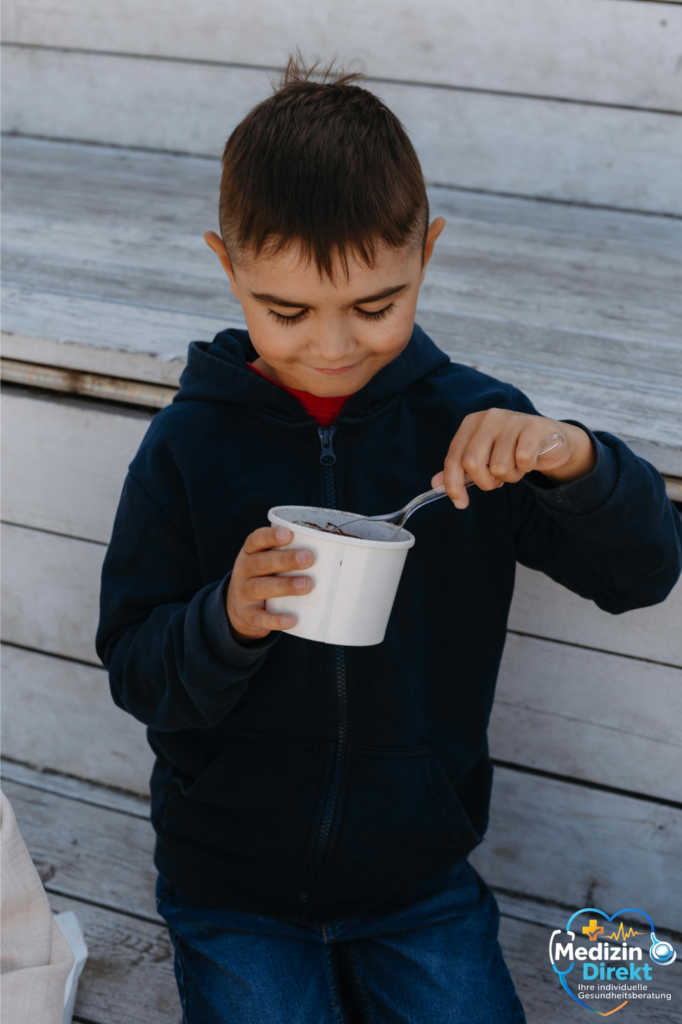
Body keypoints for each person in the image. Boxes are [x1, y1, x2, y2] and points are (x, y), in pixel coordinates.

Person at [96, 57, 682, 1024]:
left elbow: (644, 573)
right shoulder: (189, 446)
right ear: (225, 265)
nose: (333, 346)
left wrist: (572, 459)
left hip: (417, 879)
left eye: (377, 305)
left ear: (429, 254)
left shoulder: (473, 427)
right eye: (287, 311)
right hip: (232, 883)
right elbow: (135, 667)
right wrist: (227, 620)